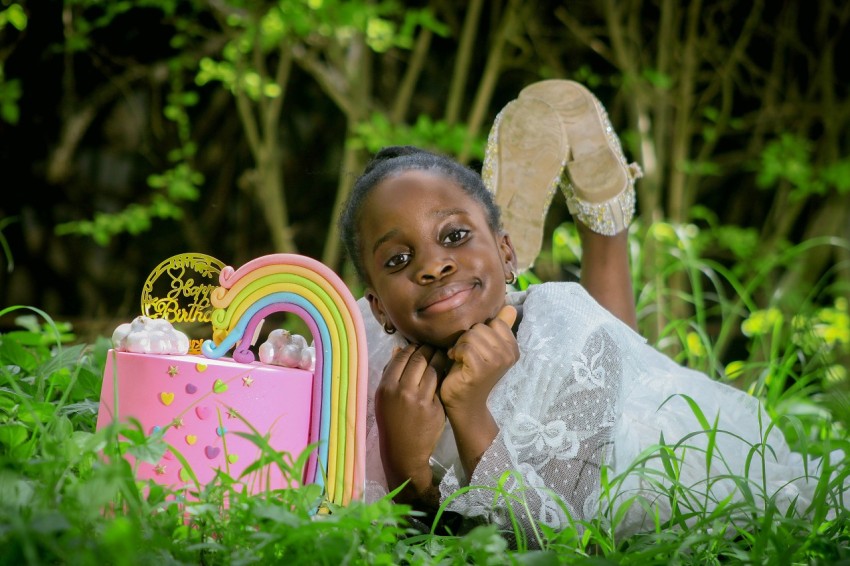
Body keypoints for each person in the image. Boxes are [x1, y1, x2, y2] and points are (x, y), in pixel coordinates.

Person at [338, 80, 847, 543]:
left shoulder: (572, 334)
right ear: (378, 305)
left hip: (644, 445)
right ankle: (541, 228)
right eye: (399, 259)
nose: (431, 266)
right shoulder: (361, 347)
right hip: (555, 366)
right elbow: (404, 537)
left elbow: (552, 541)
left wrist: (470, 416)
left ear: (507, 254)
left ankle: (605, 221)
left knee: (589, 336)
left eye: (453, 236)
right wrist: (406, 470)